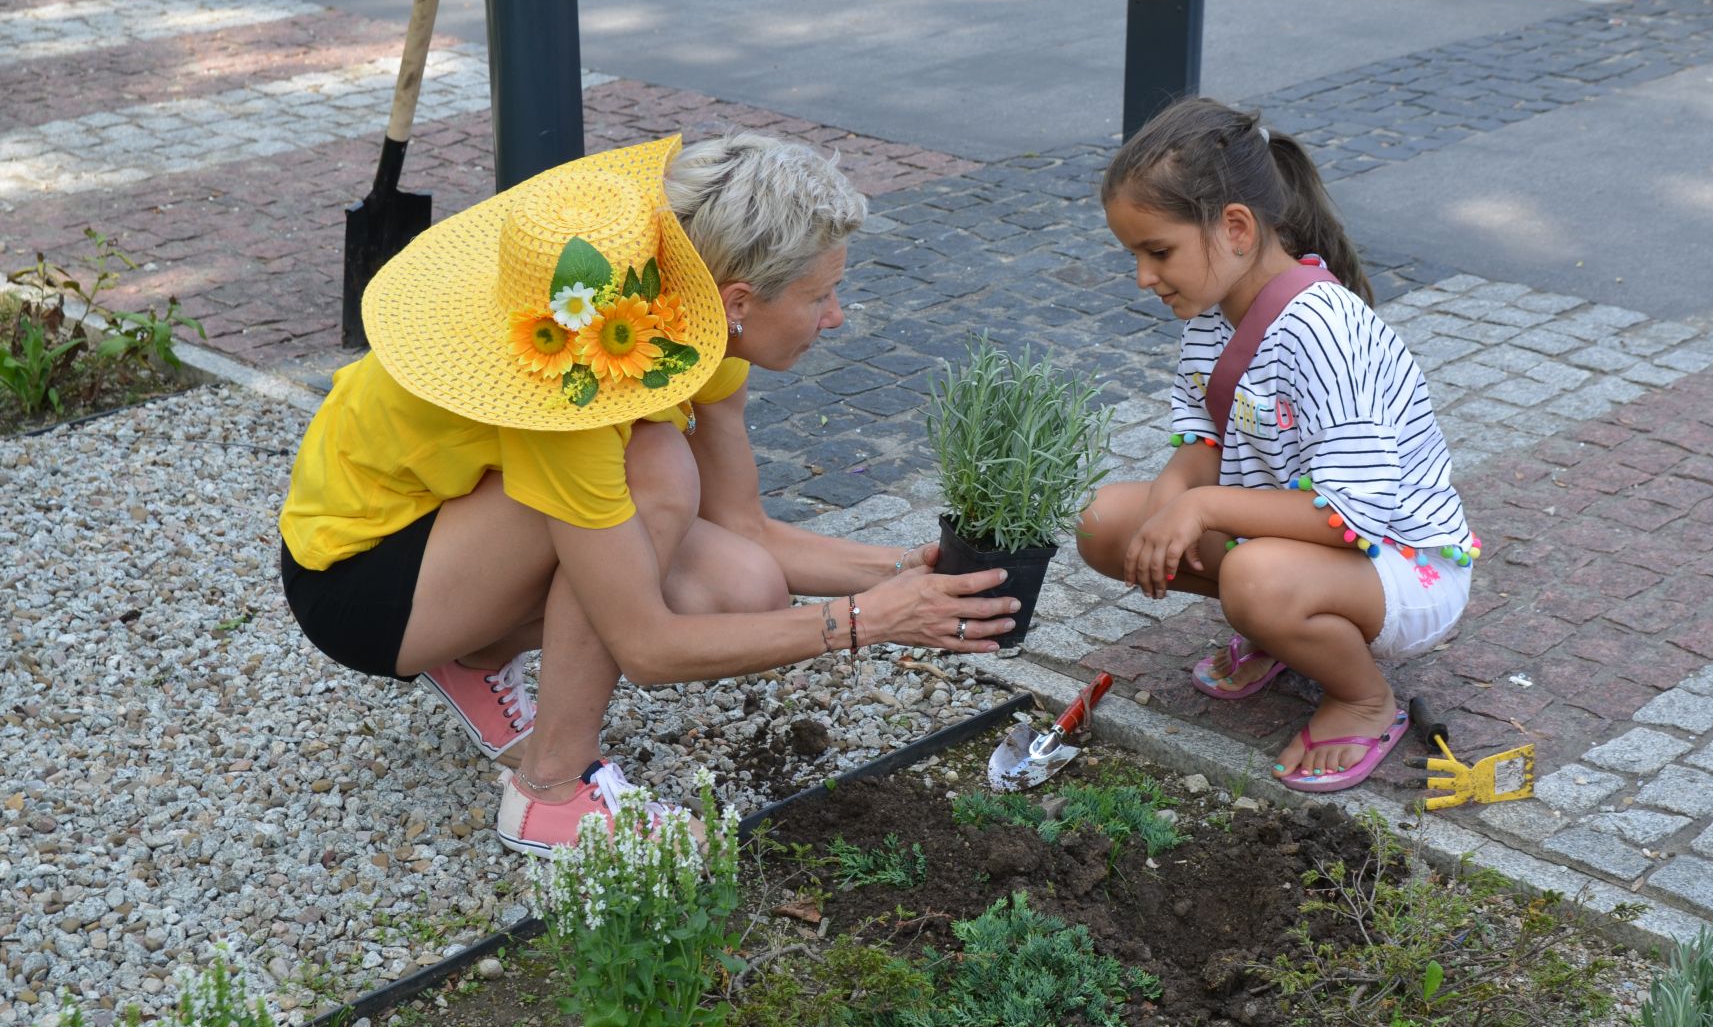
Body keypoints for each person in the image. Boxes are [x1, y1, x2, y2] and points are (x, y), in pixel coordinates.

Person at [279, 133, 1020, 857]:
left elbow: (749, 532)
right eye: (821, 293)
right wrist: (866, 621)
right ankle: (549, 796)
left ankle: (471, 660)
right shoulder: (579, 391)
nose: (836, 316)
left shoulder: (688, 328)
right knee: (659, 470)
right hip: (362, 582)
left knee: (744, 584)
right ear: (738, 300)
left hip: (457, 532)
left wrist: (909, 575)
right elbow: (648, 646)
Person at [1076, 97, 1478, 793]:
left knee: (1254, 577)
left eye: (1157, 251)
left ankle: (1362, 697)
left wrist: (1198, 511)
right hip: (1306, 544)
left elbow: (1351, 517)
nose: (1143, 277)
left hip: (1404, 566)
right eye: (1134, 255)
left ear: (1234, 228)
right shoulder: (1211, 314)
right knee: (1108, 523)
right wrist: (1170, 506)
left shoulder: (1324, 331)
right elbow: (1202, 439)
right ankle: (1280, 627)